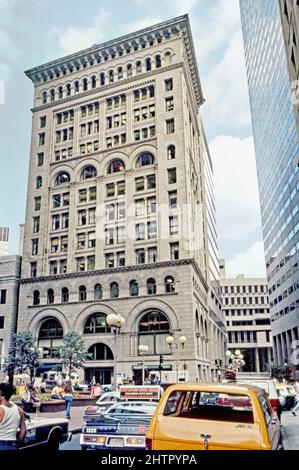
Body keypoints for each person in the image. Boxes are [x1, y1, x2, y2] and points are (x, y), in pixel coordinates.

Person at [0, 382, 27, 450]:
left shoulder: (1, 410)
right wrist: (18, 442)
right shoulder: (19, 410)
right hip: (12, 445)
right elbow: (24, 430)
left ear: (2, 395)